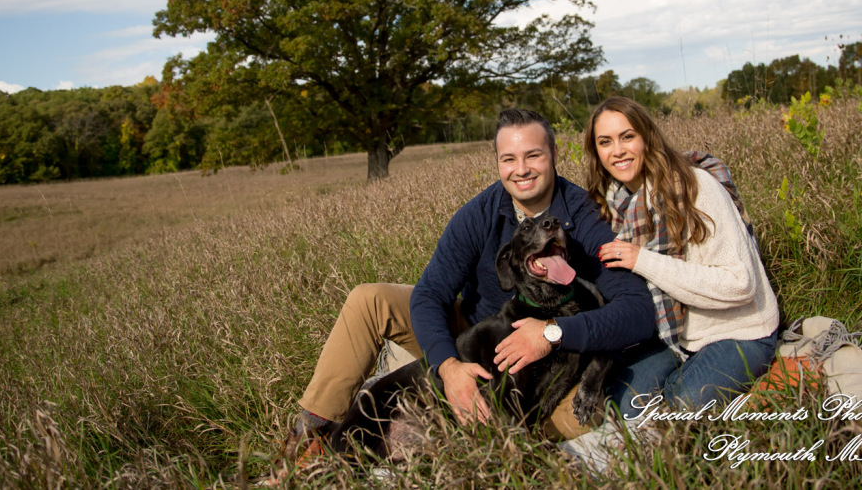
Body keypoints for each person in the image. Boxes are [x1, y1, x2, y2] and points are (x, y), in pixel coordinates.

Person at [276, 108, 656, 474]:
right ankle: (310, 436)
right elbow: (430, 295)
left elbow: (638, 310)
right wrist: (448, 366)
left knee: (579, 418)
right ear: (497, 162)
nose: (521, 169)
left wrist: (552, 332)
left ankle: (498, 443)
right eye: (509, 158)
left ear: (554, 155)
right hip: (473, 333)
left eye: (533, 155)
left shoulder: (581, 216)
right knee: (369, 299)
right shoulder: (480, 213)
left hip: (545, 355)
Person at [584, 96, 779, 419]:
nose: (617, 150)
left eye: (627, 136)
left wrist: (642, 260)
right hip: (676, 337)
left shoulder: (695, 186)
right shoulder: (614, 205)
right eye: (605, 142)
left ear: (647, 137)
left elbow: (739, 284)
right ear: (597, 152)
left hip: (741, 330)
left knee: (683, 405)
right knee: (624, 406)